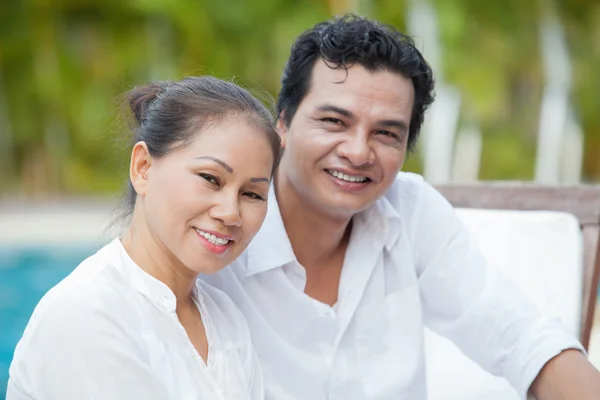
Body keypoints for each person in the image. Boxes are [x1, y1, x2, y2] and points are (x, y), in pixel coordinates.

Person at [202, 14, 600, 399]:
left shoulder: (411, 210)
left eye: (386, 133)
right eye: (334, 122)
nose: (358, 153)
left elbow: (519, 337)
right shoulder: (218, 223)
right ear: (283, 124)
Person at [7, 76, 281, 399]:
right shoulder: (86, 315)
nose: (230, 213)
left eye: (252, 194)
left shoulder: (225, 319)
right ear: (143, 168)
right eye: (211, 178)